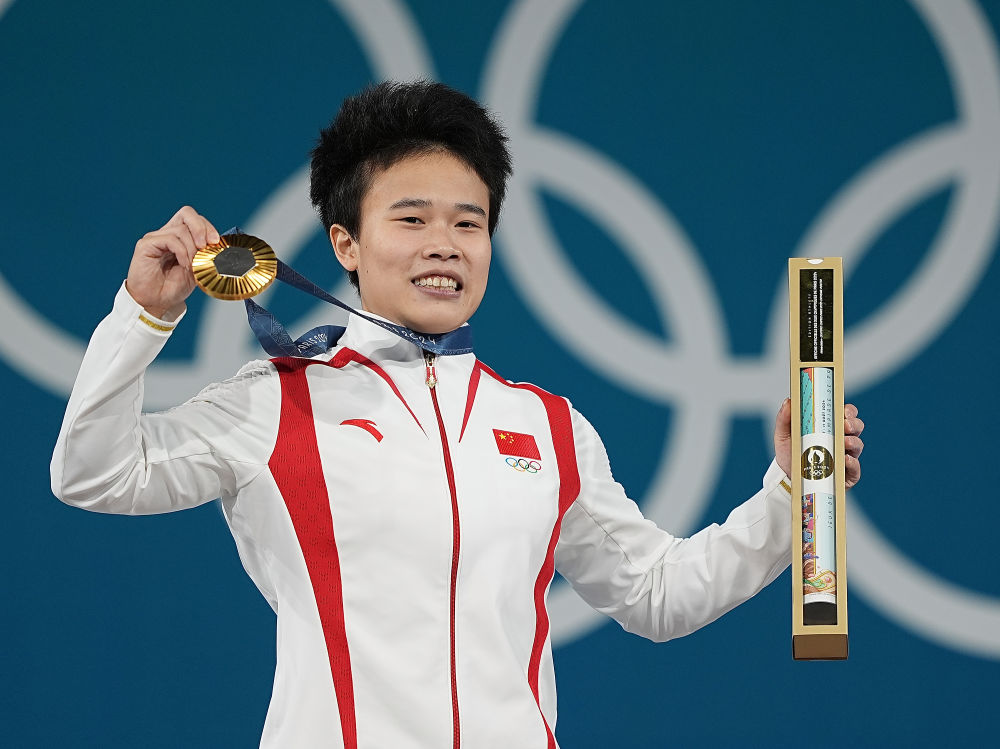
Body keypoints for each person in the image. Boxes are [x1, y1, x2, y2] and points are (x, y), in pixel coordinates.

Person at [51, 81, 864, 748]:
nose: (444, 243)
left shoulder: (548, 427)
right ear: (345, 242)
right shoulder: (274, 402)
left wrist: (792, 488)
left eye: (468, 222)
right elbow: (93, 472)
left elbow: (658, 594)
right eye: (411, 219)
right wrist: (143, 315)